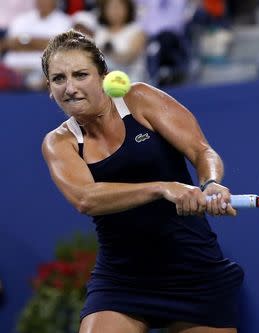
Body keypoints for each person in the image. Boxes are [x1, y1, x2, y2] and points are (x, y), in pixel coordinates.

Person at [41, 29, 244, 333]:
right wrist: (163, 188)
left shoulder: (140, 99)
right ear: (49, 88)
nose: (70, 87)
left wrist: (210, 183)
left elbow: (202, 151)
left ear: (102, 76)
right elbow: (86, 198)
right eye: (59, 79)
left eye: (80, 74)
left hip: (193, 270)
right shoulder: (59, 143)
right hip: (122, 279)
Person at [1, 0, 72, 90]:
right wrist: (42, 44)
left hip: (44, 71)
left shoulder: (65, 21)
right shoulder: (21, 19)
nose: (42, 2)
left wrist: (25, 42)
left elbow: (59, 46)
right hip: (14, 69)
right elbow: (9, 44)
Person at [95, 0, 148, 83]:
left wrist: (109, 51)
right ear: (104, 10)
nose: (115, 11)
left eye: (119, 7)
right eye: (111, 8)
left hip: (132, 81)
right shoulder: (99, 32)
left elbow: (130, 57)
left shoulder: (136, 30)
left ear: (128, 9)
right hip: (104, 82)